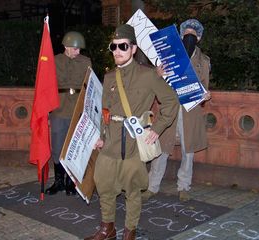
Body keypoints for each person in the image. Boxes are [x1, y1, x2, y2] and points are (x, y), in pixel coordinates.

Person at [84, 24, 179, 240]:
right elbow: (104, 112)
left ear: (133, 49)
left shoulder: (148, 76)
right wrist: (100, 136)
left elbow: (170, 102)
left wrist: (157, 129)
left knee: (133, 191)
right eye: (114, 46)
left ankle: (129, 232)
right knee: (105, 186)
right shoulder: (109, 77)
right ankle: (107, 229)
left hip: (134, 143)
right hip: (110, 144)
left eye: (123, 46)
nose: (117, 51)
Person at [142, 19, 211, 202]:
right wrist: (157, 74)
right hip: (169, 109)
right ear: (180, 36)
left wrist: (205, 95)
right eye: (186, 34)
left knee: (188, 152)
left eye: (193, 35)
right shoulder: (168, 56)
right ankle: (152, 186)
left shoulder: (203, 61)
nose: (190, 37)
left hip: (191, 112)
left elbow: (204, 87)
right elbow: (156, 84)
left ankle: (184, 187)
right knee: (161, 148)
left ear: (199, 38)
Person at [46, 31, 92, 196]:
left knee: (75, 148)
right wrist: (45, 107)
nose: (78, 51)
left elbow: (90, 86)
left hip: (77, 110)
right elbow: (46, 85)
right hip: (59, 108)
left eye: (80, 49)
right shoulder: (55, 61)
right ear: (65, 46)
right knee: (57, 146)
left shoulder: (86, 62)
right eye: (74, 48)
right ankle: (58, 181)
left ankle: (70, 182)